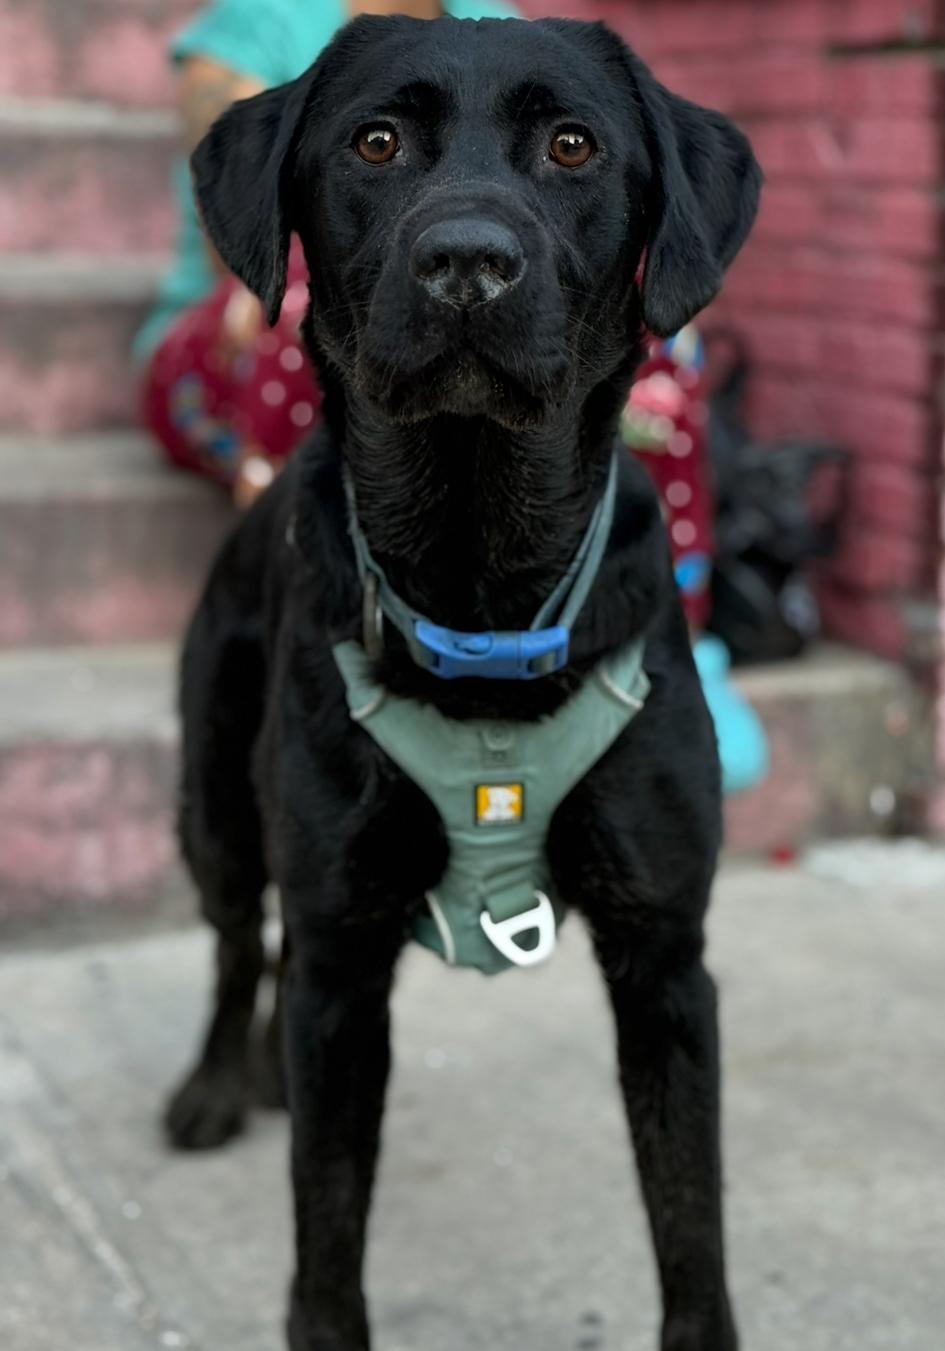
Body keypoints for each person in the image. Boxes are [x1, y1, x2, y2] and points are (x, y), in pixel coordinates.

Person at [136, 0, 767, 792]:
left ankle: (681, 633)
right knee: (301, 312)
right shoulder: (262, 23)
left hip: (462, 308)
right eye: (378, 142)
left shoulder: (490, 23)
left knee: (663, 344)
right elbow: (240, 225)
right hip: (219, 333)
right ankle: (314, 583)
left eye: (567, 147)